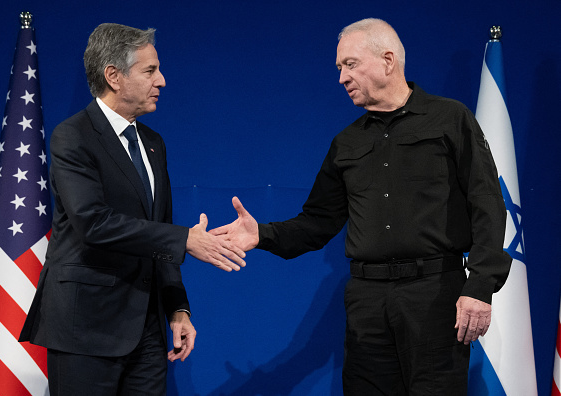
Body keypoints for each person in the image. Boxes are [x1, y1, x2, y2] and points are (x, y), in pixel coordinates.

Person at [211, 18, 512, 395]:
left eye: (349, 64)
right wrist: (262, 235)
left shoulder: (450, 119)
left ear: (388, 60)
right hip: (367, 303)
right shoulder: (347, 143)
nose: (341, 77)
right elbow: (318, 222)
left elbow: (486, 202)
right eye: (339, 68)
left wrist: (481, 284)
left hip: (434, 295)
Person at [19, 23, 246, 395]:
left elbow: (160, 229)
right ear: (114, 76)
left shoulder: (153, 143)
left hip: (147, 330)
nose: (163, 81)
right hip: (86, 329)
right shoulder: (72, 136)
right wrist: (185, 239)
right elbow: (93, 223)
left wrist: (178, 308)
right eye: (150, 70)